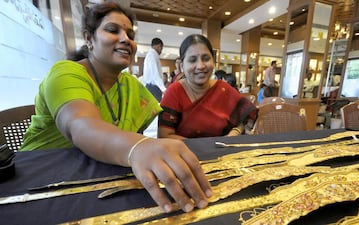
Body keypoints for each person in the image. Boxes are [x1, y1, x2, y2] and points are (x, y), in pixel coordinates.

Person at [20, 2, 211, 213]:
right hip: (37, 183)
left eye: (130, 34)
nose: (125, 39)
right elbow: (81, 125)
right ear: (88, 38)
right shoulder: (65, 73)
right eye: (112, 30)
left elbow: (128, 145)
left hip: (98, 182)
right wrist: (138, 146)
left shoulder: (130, 86)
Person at [158, 34, 258, 139]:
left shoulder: (224, 89)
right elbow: (165, 136)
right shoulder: (174, 92)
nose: (201, 66)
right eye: (192, 60)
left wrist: (235, 132)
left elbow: (244, 118)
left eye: (206, 58)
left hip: (223, 151)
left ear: (213, 62)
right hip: (184, 153)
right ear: (182, 66)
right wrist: (206, 147)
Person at [142, 37, 166, 102]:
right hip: (153, 88)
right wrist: (164, 89)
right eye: (162, 48)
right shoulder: (152, 55)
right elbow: (155, 74)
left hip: (152, 87)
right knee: (155, 110)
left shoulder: (152, 55)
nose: (161, 50)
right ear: (159, 46)